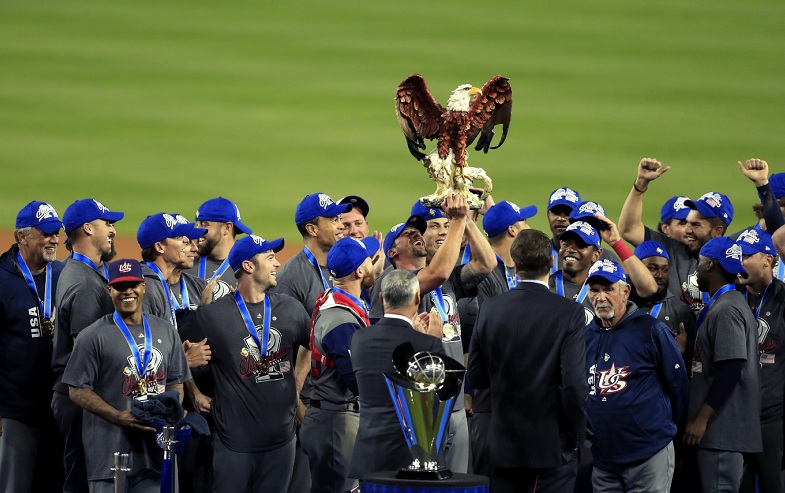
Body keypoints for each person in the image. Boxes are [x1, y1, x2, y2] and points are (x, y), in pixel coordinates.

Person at [179, 235, 311, 493]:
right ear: (249, 267)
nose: (277, 264)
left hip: (281, 441)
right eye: (270, 257)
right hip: (234, 443)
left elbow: (311, 343)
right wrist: (194, 391)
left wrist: (296, 384)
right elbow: (174, 353)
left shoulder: (290, 309)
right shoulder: (212, 315)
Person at [467, 229, 588, 493]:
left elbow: (475, 376)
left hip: (500, 444)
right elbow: (574, 384)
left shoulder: (490, 309)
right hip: (549, 449)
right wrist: (577, 436)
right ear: (552, 262)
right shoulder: (570, 313)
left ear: (516, 265)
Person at [62, 259, 190, 493]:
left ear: (143, 286)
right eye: (120, 286)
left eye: (133, 284)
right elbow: (77, 389)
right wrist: (117, 416)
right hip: (109, 456)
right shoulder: (92, 337)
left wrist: (169, 412)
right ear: (109, 290)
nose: (127, 291)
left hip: (155, 454)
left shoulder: (165, 330)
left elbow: (176, 380)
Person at [584, 258, 689, 493]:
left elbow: (678, 387)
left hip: (648, 456)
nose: (600, 297)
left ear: (625, 291)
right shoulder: (584, 337)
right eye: (594, 290)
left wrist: (661, 430)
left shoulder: (651, 330)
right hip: (603, 460)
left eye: (608, 289)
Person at [52, 198, 124, 493]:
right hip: (79, 397)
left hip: (75, 393)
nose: (113, 231)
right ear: (87, 228)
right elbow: (90, 355)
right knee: (83, 481)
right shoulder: (84, 285)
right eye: (107, 224)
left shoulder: (80, 271)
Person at [683, 237, 762, 492]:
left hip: (722, 433)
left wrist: (701, 419)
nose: (696, 269)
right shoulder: (727, 304)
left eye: (700, 262)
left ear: (710, 266)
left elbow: (731, 368)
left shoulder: (727, 309)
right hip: (723, 433)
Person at [349, 269, 443, 481]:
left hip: (369, 454)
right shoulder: (427, 343)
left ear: (381, 298)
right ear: (418, 298)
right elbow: (437, 398)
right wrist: (434, 344)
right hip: (411, 457)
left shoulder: (359, 338)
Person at [301, 236, 379, 493]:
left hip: (332, 417)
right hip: (335, 424)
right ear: (359, 271)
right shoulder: (340, 320)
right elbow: (357, 381)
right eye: (368, 260)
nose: (371, 262)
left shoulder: (334, 298)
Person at [0, 201, 65, 493]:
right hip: (15, 412)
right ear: (22, 237)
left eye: (57, 232)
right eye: (47, 233)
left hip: (57, 409)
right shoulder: (2, 280)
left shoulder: (63, 276)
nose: (55, 239)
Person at [618, 157, 734, 309]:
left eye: (696, 225)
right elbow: (629, 229)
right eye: (686, 223)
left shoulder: (733, 262)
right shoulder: (671, 248)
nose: (688, 230)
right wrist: (641, 184)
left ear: (717, 231)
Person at [734, 228, 785, 493]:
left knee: (772, 484)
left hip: (771, 417)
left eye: (747, 256)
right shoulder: (730, 296)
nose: (740, 261)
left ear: (768, 260)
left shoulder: (782, 297)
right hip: (733, 417)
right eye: (737, 255)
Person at [136, 212, 206, 328]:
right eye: (183, 241)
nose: (195, 249)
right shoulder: (144, 287)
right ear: (159, 247)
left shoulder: (160, 282)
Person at [632, 241, 696, 356]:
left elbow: (694, 360)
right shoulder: (622, 303)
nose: (660, 275)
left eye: (665, 269)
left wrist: (682, 352)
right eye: (652, 268)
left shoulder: (681, 311)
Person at [187, 196, 253, 299]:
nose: (197, 230)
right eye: (197, 224)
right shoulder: (185, 267)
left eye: (204, 224)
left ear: (227, 228)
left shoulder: (248, 271)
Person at [546, 187, 582, 274]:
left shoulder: (599, 258)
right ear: (548, 216)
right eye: (556, 212)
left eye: (568, 213)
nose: (561, 218)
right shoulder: (538, 256)